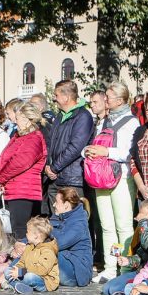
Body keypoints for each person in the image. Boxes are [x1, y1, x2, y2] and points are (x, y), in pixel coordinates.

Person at [88, 82, 140, 283]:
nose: (105, 100)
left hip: (122, 177)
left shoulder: (131, 122)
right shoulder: (103, 121)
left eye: (108, 97)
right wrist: (90, 151)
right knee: (106, 226)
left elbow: (130, 152)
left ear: (120, 100)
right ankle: (110, 266)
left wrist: (107, 152)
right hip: (102, 177)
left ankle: (124, 267)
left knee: (123, 226)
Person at [0, 103, 48, 234]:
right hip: (9, 189)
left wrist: (0, 178)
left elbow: (20, 163)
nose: (15, 121)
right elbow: (1, 157)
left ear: (28, 119)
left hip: (23, 191)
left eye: (18, 118)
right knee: (8, 231)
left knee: (20, 231)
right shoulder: (17, 137)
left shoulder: (34, 138)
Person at [104, 197, 148, 295]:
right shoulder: (146, 229)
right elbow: (142, 256)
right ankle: (129, 294)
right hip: (141, 270)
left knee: (114, 290)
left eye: (143, 215)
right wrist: (128, 261)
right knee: (107, 289)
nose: (139, 217)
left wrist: (143, 221)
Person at [44, 80, 93, 212]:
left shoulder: (83, 116)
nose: (54, 99)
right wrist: (47, 166)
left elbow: (75, 147)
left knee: (73, 222)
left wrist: (54, 167)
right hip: (54, 179)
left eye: (56, 95)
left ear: (66, 97)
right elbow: (50, 143)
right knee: (56, 222)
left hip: (72, 181)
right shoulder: (60, 116)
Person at [45, 187, 92, 287]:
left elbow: (59, 243)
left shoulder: (79, 223)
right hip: (61, 262)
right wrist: (23, 243)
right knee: (31, 249)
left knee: (43, 251)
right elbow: (40, 230)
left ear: (66, 205)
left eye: (56, 202)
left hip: (75, 272)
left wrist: (38, 242)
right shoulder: (58, 216)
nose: (53, 205)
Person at [3, 216, 59, 294]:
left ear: (36, 236)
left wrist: (20, 272)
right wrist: (16, 269)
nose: (26, 234)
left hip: (44, 281)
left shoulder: (48, 251)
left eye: (28, 232)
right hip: (26, 273)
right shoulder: (29, 246)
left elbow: (42, 270)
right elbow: (22, 262)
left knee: (30, 277)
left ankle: (13, 284)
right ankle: (21, 286)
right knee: (7, 271)